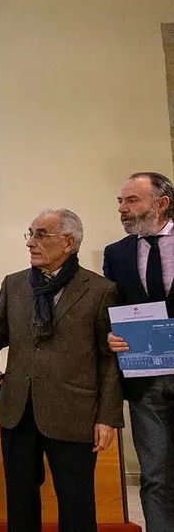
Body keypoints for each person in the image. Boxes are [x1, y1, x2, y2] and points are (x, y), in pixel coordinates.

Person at [0, 208, 123, 532]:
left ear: (68, 242)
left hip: (73, 413)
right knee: (19, 503)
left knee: (76, 503)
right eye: (30, 233)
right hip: (18, 412)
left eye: (41, 235)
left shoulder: (100, 290)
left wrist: (108, 417)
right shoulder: (14, 284)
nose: (31, 242)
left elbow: (108, 358)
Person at [103, 172, 174, 532]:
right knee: (155, 474)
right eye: (120, 201)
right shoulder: (116, 254)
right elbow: (111, 312)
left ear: (161, 204)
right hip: (145, 382)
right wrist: (111, 337)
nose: (122, 209)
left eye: (131, 200)